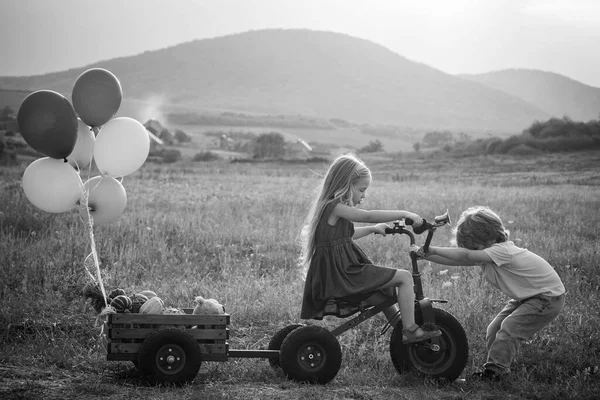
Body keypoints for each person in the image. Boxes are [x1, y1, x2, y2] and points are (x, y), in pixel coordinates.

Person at [299, 153, 441, 344]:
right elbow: (367, 215)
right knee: (405, 277)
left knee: (382, 298)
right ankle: (409, 330)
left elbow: (345, 236)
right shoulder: (334, 206)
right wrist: (405, 213)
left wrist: (373, 229)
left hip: (343, 273)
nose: (364, 195)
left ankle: (403, 331)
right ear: (345, 184)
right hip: (344, 274)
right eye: (361, 190)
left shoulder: (332, 209)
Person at [412, 206, 565, 380]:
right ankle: (497, 367)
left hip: (547, 297)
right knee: (495, 328)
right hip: (529, 297)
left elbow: (465, 257)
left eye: (474, 247)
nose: (472, 252)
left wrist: (432, 249)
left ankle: (495, 371)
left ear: (487, 238)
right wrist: (425, 256)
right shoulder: (486, 254)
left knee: (509, 328)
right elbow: (458, 261)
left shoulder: (502, 251)